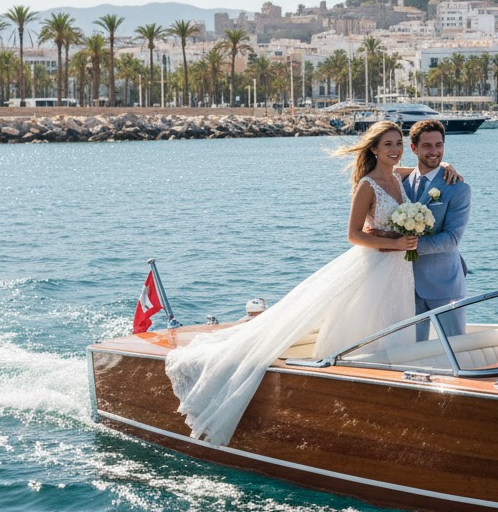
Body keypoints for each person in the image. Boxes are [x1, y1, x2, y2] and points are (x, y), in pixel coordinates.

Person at [165, 121, 443, 446]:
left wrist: (447, 167)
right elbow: (353, 235)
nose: (395, 150)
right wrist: (395, 244)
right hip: (376, 265)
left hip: (399, 269)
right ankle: (355, 388)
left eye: (398, 143)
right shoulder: (368, 185)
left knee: (395, 323)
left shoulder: (398, 176)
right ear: (373, 150)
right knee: (370, 324)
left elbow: (427, 168)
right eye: (388, 145)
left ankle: (391, 389)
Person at [400, 119, 471, 340]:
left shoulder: (457, 188)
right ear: (413, 148)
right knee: (412, 351)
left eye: (439, 145)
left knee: (456, 349)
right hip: (406, 287)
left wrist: (402, 247)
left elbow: (451, 239)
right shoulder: (399, 182)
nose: (434, 152)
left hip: (445, 286)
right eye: (427, 146)